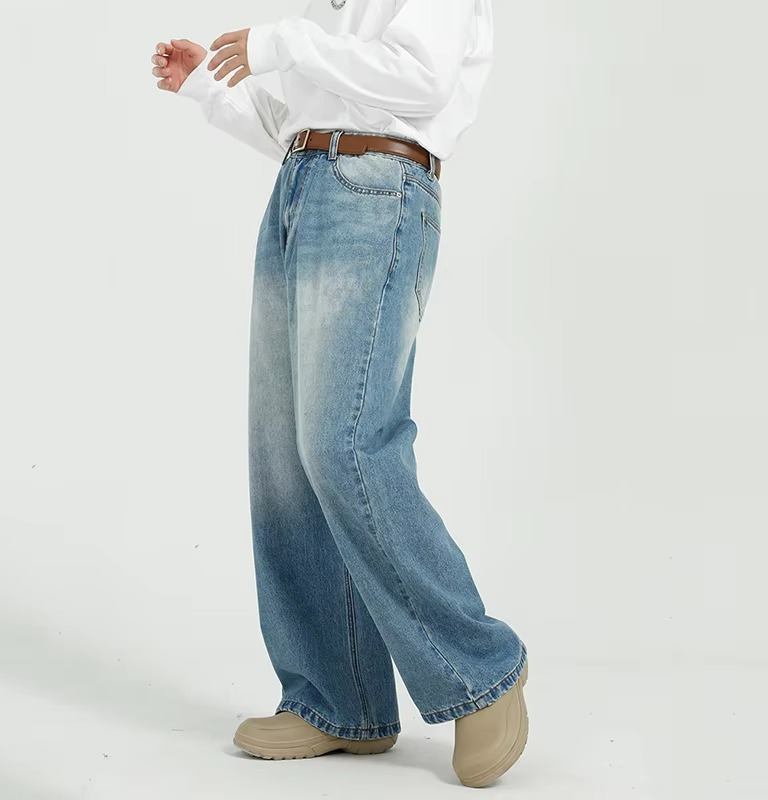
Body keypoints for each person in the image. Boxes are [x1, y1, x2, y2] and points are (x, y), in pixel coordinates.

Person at [152, 0, 528, 788]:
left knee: (346, 443)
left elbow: (420, 82)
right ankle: (337, 699)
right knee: (285, 461)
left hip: (376, 191)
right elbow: (305, 127)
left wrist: (283, 44)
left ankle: (480, 670)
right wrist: (210, 90)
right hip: (305, 186)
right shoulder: (335, 14)